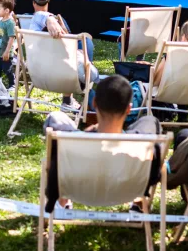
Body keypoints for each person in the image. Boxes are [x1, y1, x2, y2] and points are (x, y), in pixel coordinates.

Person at [42, 74, 162, 212]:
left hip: (78, 190)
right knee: (150, 121)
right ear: (129, 109)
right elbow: (151, 124)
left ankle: (62, 201)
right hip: (126, 191)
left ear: (94, 103)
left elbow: (55, 120)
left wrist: (88, 132)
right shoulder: (139, 144)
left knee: (55, 118)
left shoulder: (72, 141)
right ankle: (139, 202)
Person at [26, 0, 97, 112]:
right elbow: (41, 15)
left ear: (33, 3)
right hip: (64, 74)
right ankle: (79, 94)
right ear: (48, 1)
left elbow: (38, 16)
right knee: (86, 41)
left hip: (38, 74)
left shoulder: (32, 26)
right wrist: (50, 18)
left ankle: (74, 97)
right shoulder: (49, 19)